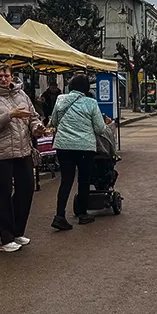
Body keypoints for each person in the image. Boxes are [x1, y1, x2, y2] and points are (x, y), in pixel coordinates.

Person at [0, 63, 43, 252]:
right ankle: (2, 239)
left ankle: (16, 231)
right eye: (0, 76)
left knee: (27, 189)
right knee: (2, 195)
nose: (4, 79)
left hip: (23, 150)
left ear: (12, 76)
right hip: (0, 153)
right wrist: (9, 115)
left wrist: (36, 127)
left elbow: (33, 116)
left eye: (7, 75)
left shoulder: (21, 94)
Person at [47, 74, 107, 230]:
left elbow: (53, 122)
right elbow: (100, 128)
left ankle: (59, 216)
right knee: (84, 180)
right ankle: (82, 214)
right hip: (85, 148)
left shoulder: (60, 99)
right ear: (86, 88)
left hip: (63, 146)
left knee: (66, 181)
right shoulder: (91, 103)